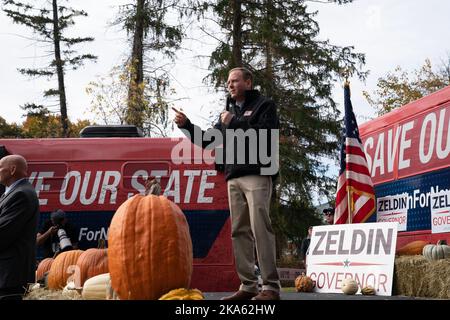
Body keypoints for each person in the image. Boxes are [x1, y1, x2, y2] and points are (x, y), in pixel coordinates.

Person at [174, 67, 281, 300]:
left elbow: (265, 136)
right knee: (239, 231)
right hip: (233, 176)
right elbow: (209, 142)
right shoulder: (228, 111)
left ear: (248, 82)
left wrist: (235, 122)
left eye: (235, 81)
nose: (230, 85)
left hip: (257, 173)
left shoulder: (265, 105)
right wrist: (187, 125)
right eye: (228, 82)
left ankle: (271, 287)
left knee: (260, 227)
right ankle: (248, 286)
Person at [0, 155, 39, 300]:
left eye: (0, 168)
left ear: (12, 170)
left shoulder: (21, 194)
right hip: (8, 276)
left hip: (11, 277)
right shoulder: (12, 193)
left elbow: (3, 233)